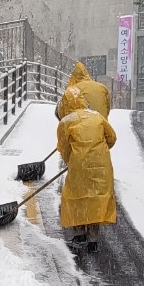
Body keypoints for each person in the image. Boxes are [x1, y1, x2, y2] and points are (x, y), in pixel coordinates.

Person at [56, 86, 116, 251]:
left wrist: (73, 161)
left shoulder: (66, 122)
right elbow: (112, 138)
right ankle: (93, 240)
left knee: (77, 198)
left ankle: (79, 235)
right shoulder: (97, 116)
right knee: (95, 199)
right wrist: (98, 151)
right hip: (101, 166)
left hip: (79, 165)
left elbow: (64, 148)